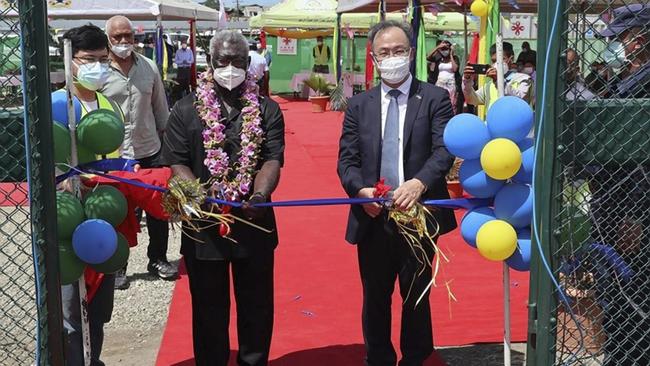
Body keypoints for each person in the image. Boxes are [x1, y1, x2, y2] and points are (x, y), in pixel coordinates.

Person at [161, 30, 285, 366]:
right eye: (222, 62)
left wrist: (260, 194)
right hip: (204, 227)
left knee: (256, 309)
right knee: (208, 311)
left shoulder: (267, 109)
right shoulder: (186, 109)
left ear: (248, 64)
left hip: (254, 223)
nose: (229, 68)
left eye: (236, 61)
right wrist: (200, 192)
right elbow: (176, 161)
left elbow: (273, 157)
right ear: (210, 63)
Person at [337, 20, 457, 366]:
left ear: (411, 54)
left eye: (399, 51)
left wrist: (419, 183)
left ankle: (416, 357)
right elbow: (347, 160)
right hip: (373, 218)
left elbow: (444, 150)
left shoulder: (434, 98)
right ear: (373, 58)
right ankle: (378, 358)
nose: (392, 57)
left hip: (419, 216)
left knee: (416, 295)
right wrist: (360, 191)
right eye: (385, 52)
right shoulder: (359, 105)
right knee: (375, 296)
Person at [58, 24, 121, 366]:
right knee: (69, 310)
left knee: (97, 308)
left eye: (102, 59)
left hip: (102, 217)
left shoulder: (109, 105)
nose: (95, 67)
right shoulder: (55, 104)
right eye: (87, 60)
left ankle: (91, 358)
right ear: (70, 61)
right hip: (67, 222)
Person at [590, 5, 650, 365]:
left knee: (633, 294)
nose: (617, 47)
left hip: (632, 205)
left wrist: (634, 216)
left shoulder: (643, 84)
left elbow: (642, 161)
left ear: (638, 40)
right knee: (611, 292)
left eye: (620, 39)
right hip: (608, 199)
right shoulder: (624, 79)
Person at [101, 15, 177, 287]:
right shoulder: (98, 72)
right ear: (108, 39)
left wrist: (168, 146)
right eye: (117, 37)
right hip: (115, 154)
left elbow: (160, 109)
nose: (124, 41)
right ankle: (118, 264)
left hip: (150, 150)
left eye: (128, 36)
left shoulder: (149, 67)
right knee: (120, 210)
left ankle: (157, 258)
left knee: (158, 209)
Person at [462, 42, 534, 108]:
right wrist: (467, 80)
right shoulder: (489, 85)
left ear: (511, 59)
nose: (496, 64)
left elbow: (519, 99)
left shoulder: (523, 79)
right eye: (494, 61)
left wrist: (498, 81)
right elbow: (471, 99)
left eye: (500, 60)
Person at [426, 40, 464, 114]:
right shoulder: (438, 58)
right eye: (443, 49)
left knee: (452, 103)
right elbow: (428, 57)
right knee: (438, 101)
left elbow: (455, 69)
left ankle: (451, 117)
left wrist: (451, 55)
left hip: (451, 85)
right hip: (440, 84)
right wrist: (438, 47)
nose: (444, 51)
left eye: (446, 49)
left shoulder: (454, 58)